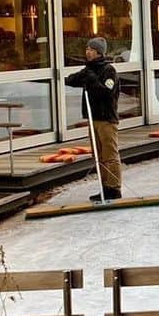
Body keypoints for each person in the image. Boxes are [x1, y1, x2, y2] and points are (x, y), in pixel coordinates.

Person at [67, 37, 122, 201]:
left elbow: (106, 92)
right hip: (93, 118)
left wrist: (91, 80)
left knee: (109, 153)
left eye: (91, 49)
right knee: (98, 154)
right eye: (86, 49)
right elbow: (71, 80)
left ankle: (114, 187)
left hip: (106, 119)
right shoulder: (88, 69)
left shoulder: (108, 70)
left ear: (98, 52)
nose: (87, 52)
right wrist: (82, 77)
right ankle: (104, 186)